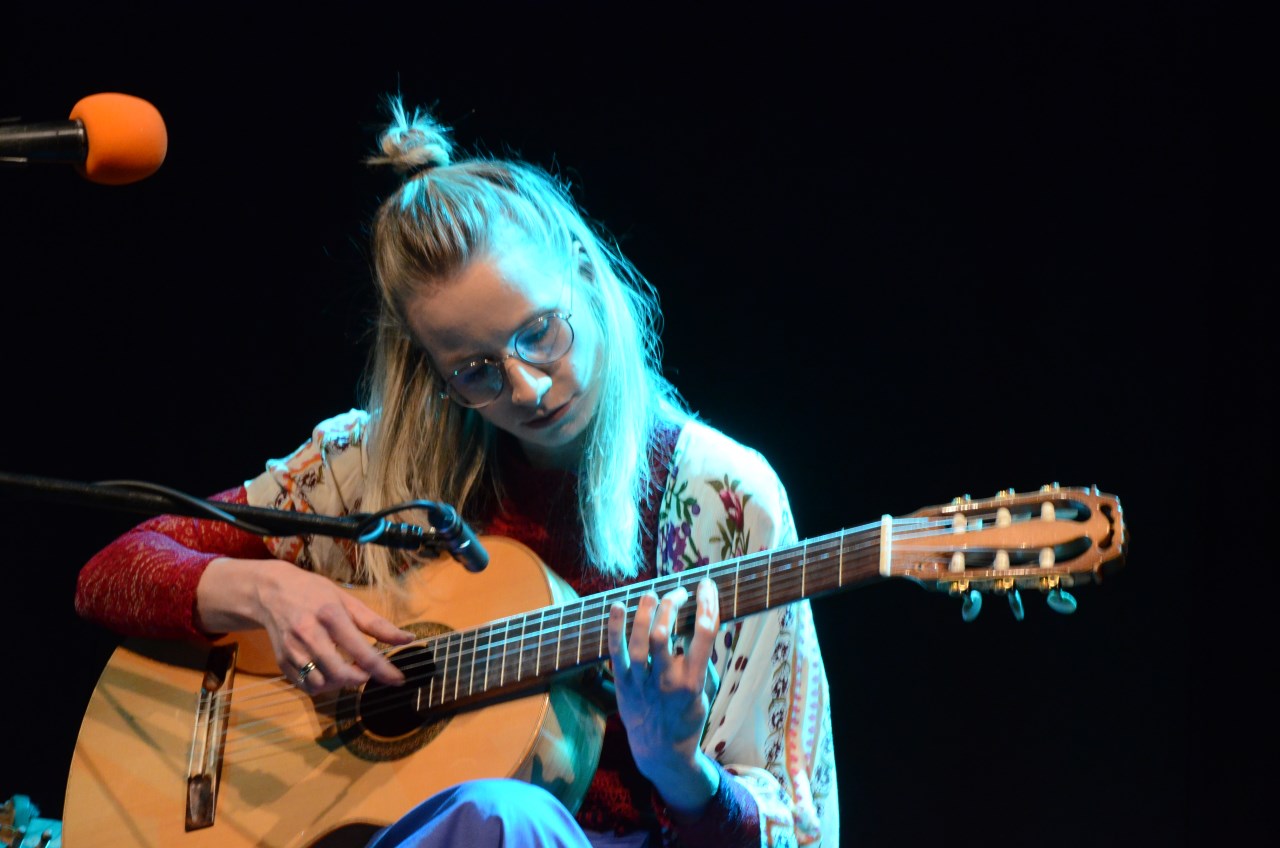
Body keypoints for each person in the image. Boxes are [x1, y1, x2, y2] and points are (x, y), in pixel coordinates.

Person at [74, 95, 839, 847]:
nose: (526, 388)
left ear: (583, 271)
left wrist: (680, 771)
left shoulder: (724, 498)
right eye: (476, 371)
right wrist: (263, 589)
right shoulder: (368, 467)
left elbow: (800, 830)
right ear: (434, 375)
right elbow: (111, 571)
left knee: (507, 818)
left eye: (540, 333)